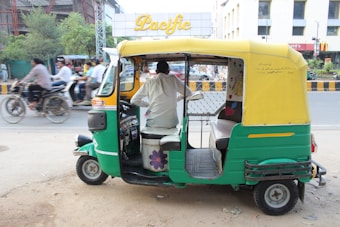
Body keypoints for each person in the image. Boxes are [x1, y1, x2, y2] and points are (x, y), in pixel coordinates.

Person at [131, 61, 193, 128]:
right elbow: (188, 92)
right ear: (168, 71)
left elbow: (134, 100)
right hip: (171, 123)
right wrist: (176, 99)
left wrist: (149, 104)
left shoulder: (150, 82)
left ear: (156, 71)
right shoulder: (173, 79)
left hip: (153, 123)